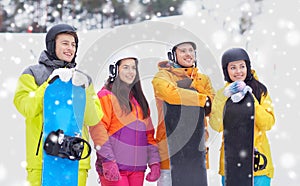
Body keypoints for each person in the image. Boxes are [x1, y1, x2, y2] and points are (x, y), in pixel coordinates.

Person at [13, 23, 103, 186]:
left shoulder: (83, 79)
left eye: (74, 44)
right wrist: (49, 84)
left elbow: (93, 118)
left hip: (75, 162)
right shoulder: (32, 74)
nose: (70, 48)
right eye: (65, 43)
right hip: (42, 162)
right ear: (52, 45)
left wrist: (82, 92)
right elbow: (27, 108)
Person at [89, 53, 161, 186]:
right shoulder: (106, 96)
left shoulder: (139, 101)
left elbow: (149, 135)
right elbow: (98, 130)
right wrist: (108, 160)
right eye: (126, 67)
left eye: (133, 68)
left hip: (137, 170)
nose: (131, 72)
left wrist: (154, 161)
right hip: (115, 168)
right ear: (115, 70)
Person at [152, 40, 215, 186]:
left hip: (196, 152)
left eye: (191, 50)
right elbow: (170, 94)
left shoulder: (203, 79)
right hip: (170, 153)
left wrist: (193, 87)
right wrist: (201, 98)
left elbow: (211, 105)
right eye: (183, 51)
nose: (188, 54)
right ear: (173, 55)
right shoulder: (162, 76)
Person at [209, 48, 275, 186]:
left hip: (258, 165)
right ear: (226, 71)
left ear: (248, 67)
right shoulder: (223, 94)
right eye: (233, 67)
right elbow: (217, 126)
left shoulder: (260, 90)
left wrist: (251, 101)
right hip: (231, 165)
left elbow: (267, 123)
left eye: (242, 66)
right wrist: (223, 98)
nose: (238, 71)